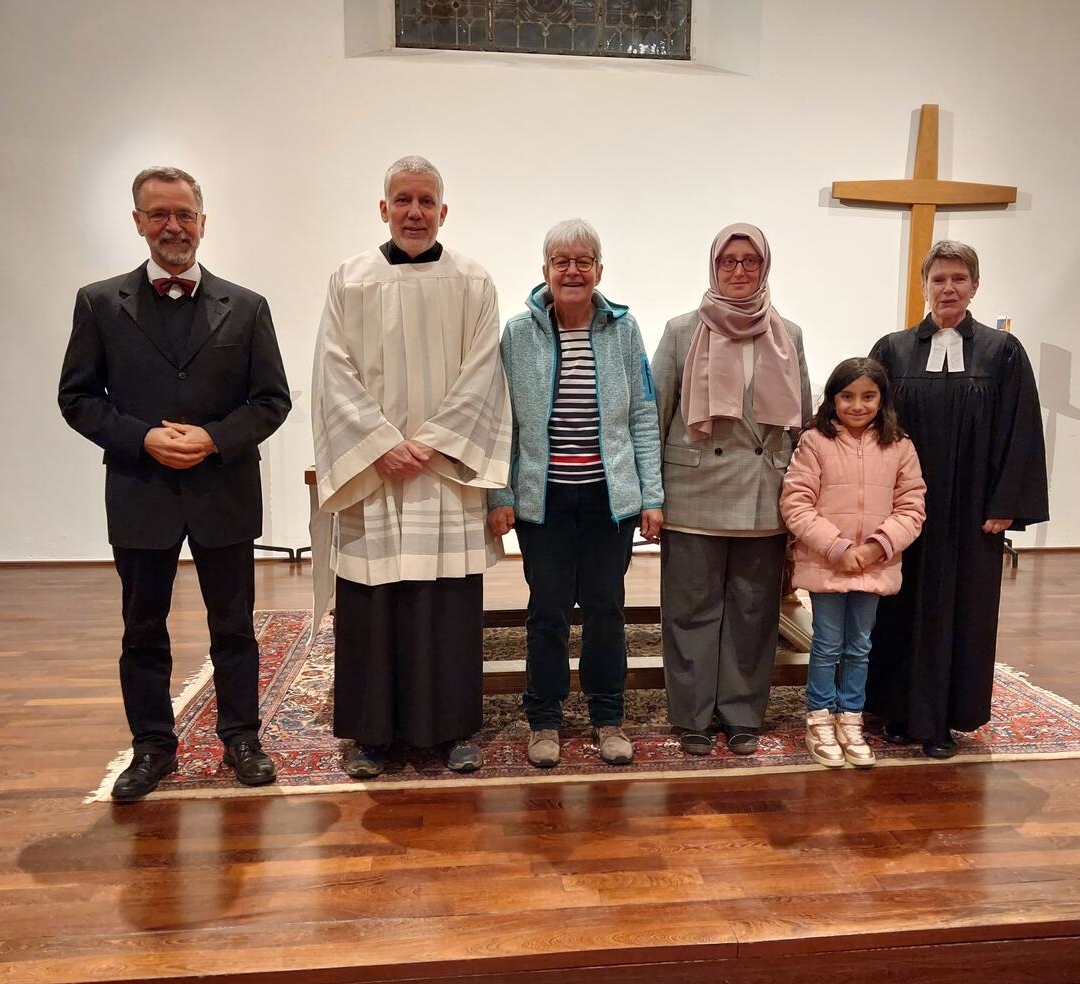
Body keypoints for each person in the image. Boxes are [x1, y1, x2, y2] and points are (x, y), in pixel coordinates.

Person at [58, 166, 291, 801]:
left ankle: (243, 737)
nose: (173, 226)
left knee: (235, 626)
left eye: (184, 214)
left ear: (203, 222)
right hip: (142, 490)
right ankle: (153, 747)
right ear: (137, 222)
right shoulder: (100, 304)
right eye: (159, 214)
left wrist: (214, 437)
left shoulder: (246, 307)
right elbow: (77, 398)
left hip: (224, 489)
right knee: (142, 628)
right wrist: (142, 437)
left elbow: (272, 401)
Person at [311, 156, 511, 779]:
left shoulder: (472, 282)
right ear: (383, 208)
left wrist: (427, 443)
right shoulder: (351, 279)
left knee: (445, 604)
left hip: (441, 475)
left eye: (426, 201)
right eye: (403, 199)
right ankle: (372, 736)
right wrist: (378, 443)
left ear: (443, 211)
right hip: (376, 476)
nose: (415, 212)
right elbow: (331, 372)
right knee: (373, 606)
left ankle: (451, 731)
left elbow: (484, 373)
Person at [488, 220, 663, 769]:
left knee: (607, 609)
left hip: (609, 500)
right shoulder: (519, 333)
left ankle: (608, 716)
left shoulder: (623, 329)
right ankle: (544, 719)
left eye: (583, 260)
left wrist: (651, 495)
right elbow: (501, 421)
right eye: (561, 261)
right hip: (545, 502)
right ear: (544, 272)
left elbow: (641, 413)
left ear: (599, 271)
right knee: (547, 610)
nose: (572, 270)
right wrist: (500, 493)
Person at [867, 240, 1049, 758]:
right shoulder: (893, 350)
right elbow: (869, 423)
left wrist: (1004, 501)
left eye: (959, 279)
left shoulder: (1001, 352)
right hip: (906, 508)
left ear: (975, 286)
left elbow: (1021, 431)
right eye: (939, 279)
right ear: (925, 286)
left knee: (959, 610)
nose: (948, 288)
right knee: (898, 606)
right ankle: (897, 712)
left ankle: (944, 719)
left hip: (971, 513)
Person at [652, 223, 812, 756]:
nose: (739, 271)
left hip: (763, 494)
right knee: (691, 608)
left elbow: (801, 424)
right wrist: (650, 497)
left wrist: (801, 497)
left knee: (753, 609)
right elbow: (654, 416)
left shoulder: (789, 333)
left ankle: (742, 712)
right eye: (729, 261)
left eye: (750, 262)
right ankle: (693, 716)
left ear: (765, 268)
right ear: (714, 266)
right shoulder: (681, 330)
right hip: (693, 489)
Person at [780, 358, 926, 768]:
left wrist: (876, 547)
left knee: (860, 646)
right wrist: (838, 548)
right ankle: (819, 718)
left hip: (876, 564)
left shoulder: (900, 446)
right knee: (827, 644)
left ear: (883, 399)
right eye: (847, 396)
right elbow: (796, 503)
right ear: (832, 398)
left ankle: (851, 717)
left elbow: (912, 506)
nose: (857, 405)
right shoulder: (814, 442)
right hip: (830, 564)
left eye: (868, 396)